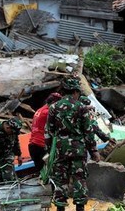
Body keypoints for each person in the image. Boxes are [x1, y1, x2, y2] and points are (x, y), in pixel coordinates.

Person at [46, 78, 100, 211]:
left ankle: (60, 208)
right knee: (79, 178)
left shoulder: (54, 107)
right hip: (78, 149)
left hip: (60, 150)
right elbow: (88, 131)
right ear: (75, 91)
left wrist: (49, 149)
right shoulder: (81, 107)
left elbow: (49, 131)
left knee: (60, 179)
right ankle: (80, 208)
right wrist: (93, 151)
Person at [29, 93, 62, 173]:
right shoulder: (47, 112)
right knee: (49, 171)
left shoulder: (40, 110)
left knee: (41, 172)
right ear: (54, 102)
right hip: (41, 146)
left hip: (33, 144)